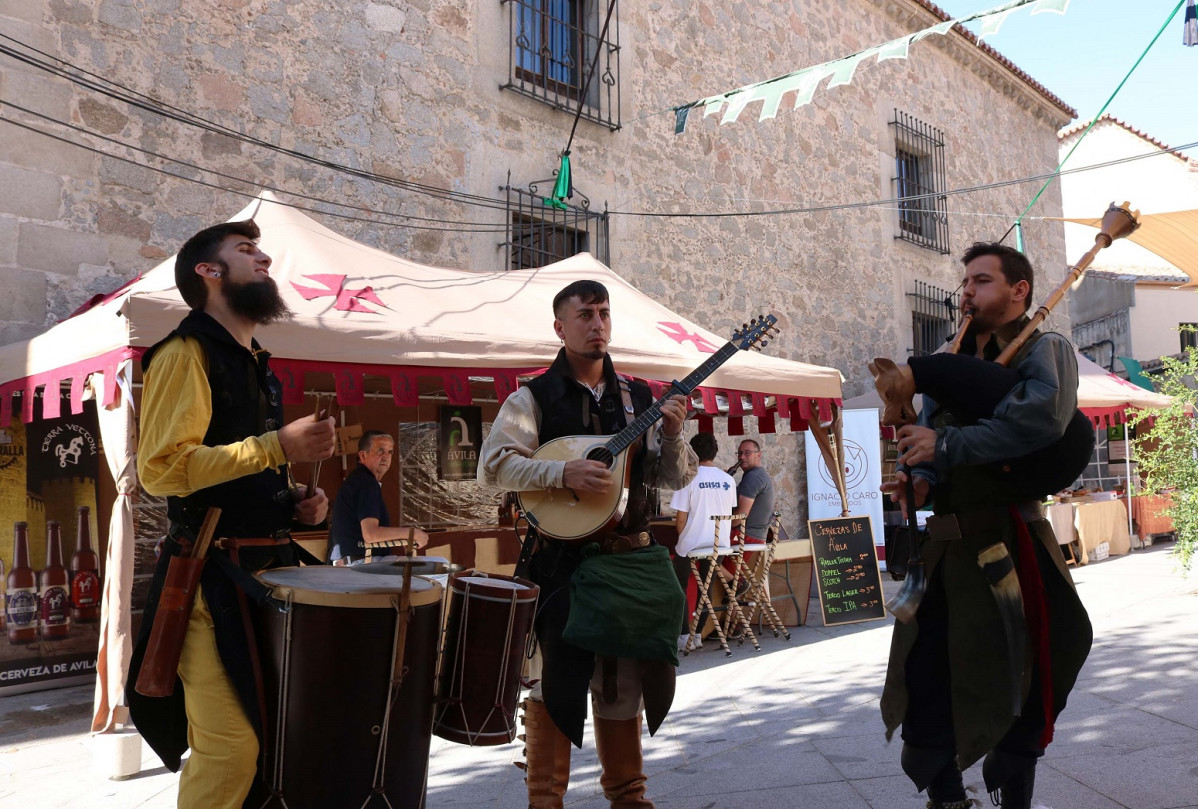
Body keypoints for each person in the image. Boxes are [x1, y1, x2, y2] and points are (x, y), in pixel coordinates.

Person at [126, 220, 336, 809]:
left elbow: (237, 469)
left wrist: (295, 502)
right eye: (246, 251)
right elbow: (163, 470)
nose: (263, 258)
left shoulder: (257, 364)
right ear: (208, 271)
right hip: (207, 582)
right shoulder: (185, 352)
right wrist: (277, 447)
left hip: (264, 573)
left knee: (275, 741)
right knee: (231, 748)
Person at [876, 242, 1093, 809]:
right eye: (965, 282)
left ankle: (1013, 791)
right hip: (946, 549)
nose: (967, 292)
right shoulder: (950, 355)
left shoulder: (1046, 349)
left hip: (1011, 540)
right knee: (926, 676)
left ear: (1019, 289)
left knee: (1035, 669)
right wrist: (919, 474)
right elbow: (928, 445)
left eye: (982, 280)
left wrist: (946, 443)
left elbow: (1041, 419)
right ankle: (946, 798)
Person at [478, 279, 696, 809]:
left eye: (604, 313)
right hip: (560, 566)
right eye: (585, 314)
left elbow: (673, 479)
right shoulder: (531, 398)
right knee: (556, 685)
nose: (598, 323)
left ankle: (628, 797)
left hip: (628, 563)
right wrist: (560, 473)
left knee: (622, 684)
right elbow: (492, 466)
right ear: (561, 326)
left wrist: (671, 435)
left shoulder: (639, 398)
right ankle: (545, 802)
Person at [670, 433, 738, 650]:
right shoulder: (728, 480)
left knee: (677, 586)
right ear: (715, 453)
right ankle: (697, 635)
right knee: (705, 588)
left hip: (693, 543)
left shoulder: (687, 478)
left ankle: (683, 637)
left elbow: (680, 520)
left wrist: (684, 539)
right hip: (719, 544)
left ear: (692, 452)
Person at [327, 430, 429, 564]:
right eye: (380, 450)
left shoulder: (360, 480)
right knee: (441, 569)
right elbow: (371, 535)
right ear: (363, 456)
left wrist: (401, 537)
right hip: (362, 565)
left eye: (390, 452)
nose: (386, 456)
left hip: (357, 561)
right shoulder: (365, 483)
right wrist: (412, 533)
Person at [733, 439, 774, 543]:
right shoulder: (757, 474)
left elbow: (740, 517)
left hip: (745, 537)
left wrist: (718, 525)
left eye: (747, 453)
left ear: (758, 455)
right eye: (740, 453)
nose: (742, 457)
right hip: (754, 537)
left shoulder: (753, 477)